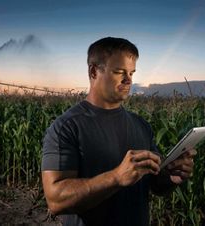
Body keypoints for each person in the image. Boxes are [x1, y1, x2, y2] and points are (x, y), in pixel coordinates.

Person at [41, 37, 196, 226]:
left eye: (131, 72)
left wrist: (172, 176)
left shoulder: (141, 125)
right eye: (119, 72)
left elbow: (155, 186)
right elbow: (56, 200)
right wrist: (115, 178)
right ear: (93, 71)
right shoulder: (67, 127)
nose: (128, 79)